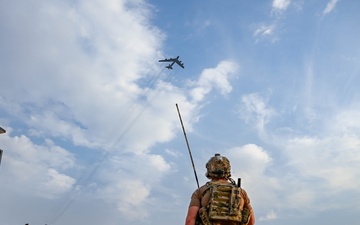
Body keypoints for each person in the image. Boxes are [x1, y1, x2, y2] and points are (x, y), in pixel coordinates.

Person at [185, 153, 255, 225]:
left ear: (209, 169)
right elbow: (251, 220)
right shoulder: (241, 192)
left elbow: (190, 220)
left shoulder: (200, 191)